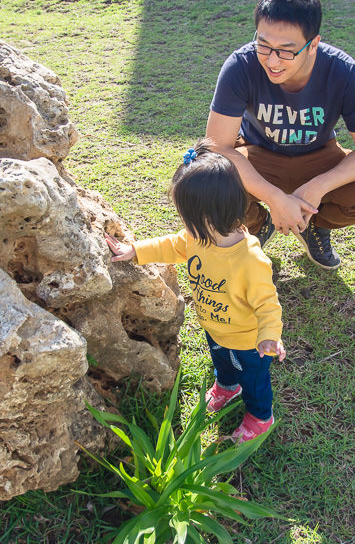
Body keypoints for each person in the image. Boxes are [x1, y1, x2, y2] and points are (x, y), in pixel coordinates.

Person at [105, 140, 286, 443]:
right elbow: (170, 245)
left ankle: (259, 416)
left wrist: (269, 334)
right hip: (214, 329)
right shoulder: (197, 237)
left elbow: (268, 303)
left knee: (254, 381)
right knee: (223, 365)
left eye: (184, 216)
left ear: (206, 216)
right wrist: (135, 250)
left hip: (247, 341)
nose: (182, 224)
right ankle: (227, 386)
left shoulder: (250, 260)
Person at [207, 0, 355, 270]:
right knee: (203, 185)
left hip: (318, 157)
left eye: (286, 50)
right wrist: (274, 198)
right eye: (263, 45)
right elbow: (217, 146)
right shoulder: (241, 65)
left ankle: (315, 224)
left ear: (313, 45)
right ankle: (258, 225)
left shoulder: (343, 71)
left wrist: (316, 188)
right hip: (256, 155)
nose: (272, 60)